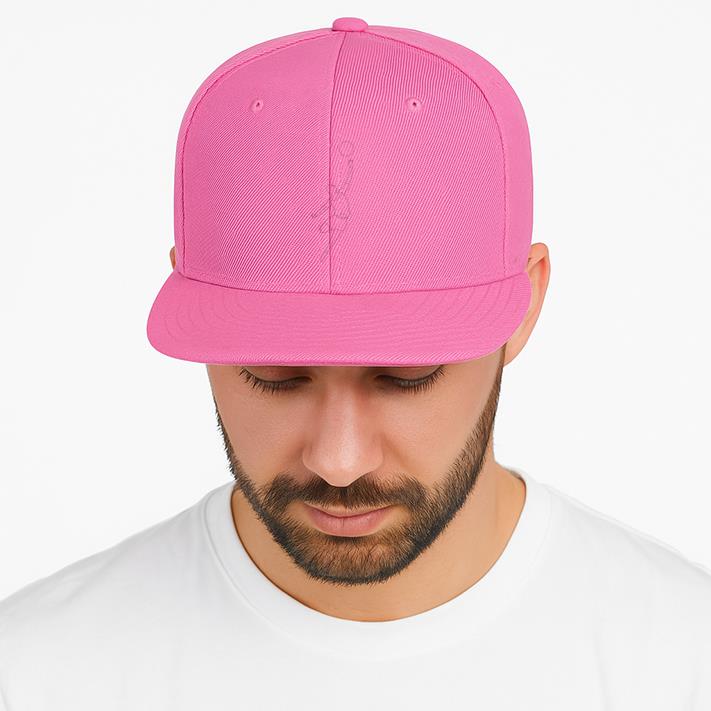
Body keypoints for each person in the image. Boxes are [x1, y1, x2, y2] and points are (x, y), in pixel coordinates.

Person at [1, 16, 709, 710]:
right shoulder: (37, 674)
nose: (339, 462)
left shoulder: (681, 664)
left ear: (525, 308)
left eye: (405, 377)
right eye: (274, 376)